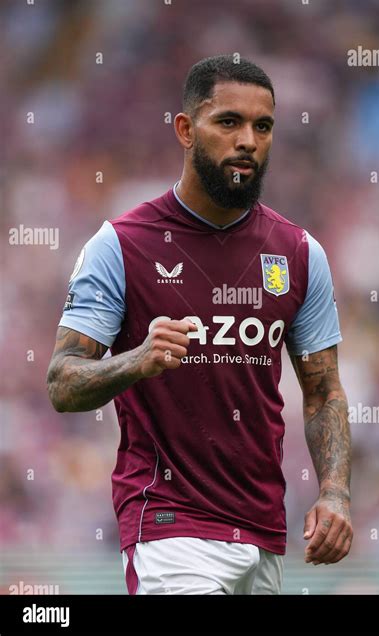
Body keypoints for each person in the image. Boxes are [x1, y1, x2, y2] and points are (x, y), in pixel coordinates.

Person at [46, 54, 352, 595]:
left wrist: (335, 492)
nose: (249, 141)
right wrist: (137, 359)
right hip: (168, 525)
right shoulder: (120, 245)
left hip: (262, 531)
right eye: (229, 122)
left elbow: (324, 390)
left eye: (263, 126)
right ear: (186, 129)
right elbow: (62, 382)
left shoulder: (300, 254)